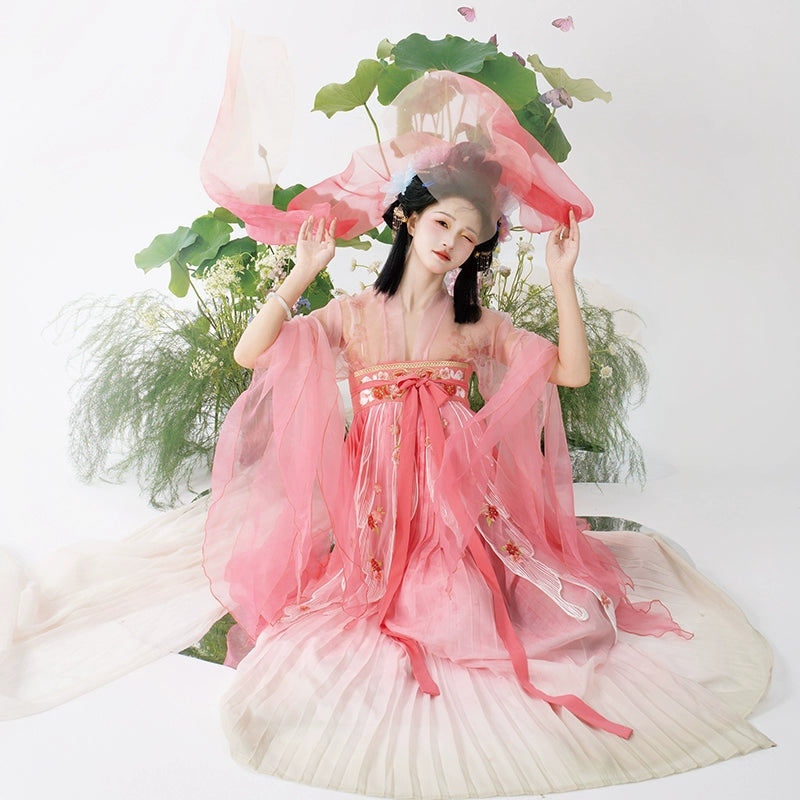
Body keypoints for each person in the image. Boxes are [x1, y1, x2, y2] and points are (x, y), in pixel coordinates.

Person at [0, 53, 773, 800]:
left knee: (489, 610)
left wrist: (562, 280)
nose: (453, 242)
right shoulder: (352, 316)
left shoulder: (473, 324)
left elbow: (570, 372)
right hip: (379, 509)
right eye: (442, 222)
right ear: (406, 216)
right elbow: (251, 353)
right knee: (388, 607)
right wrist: (301, 276)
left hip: (460, 508)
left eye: (469, 236)